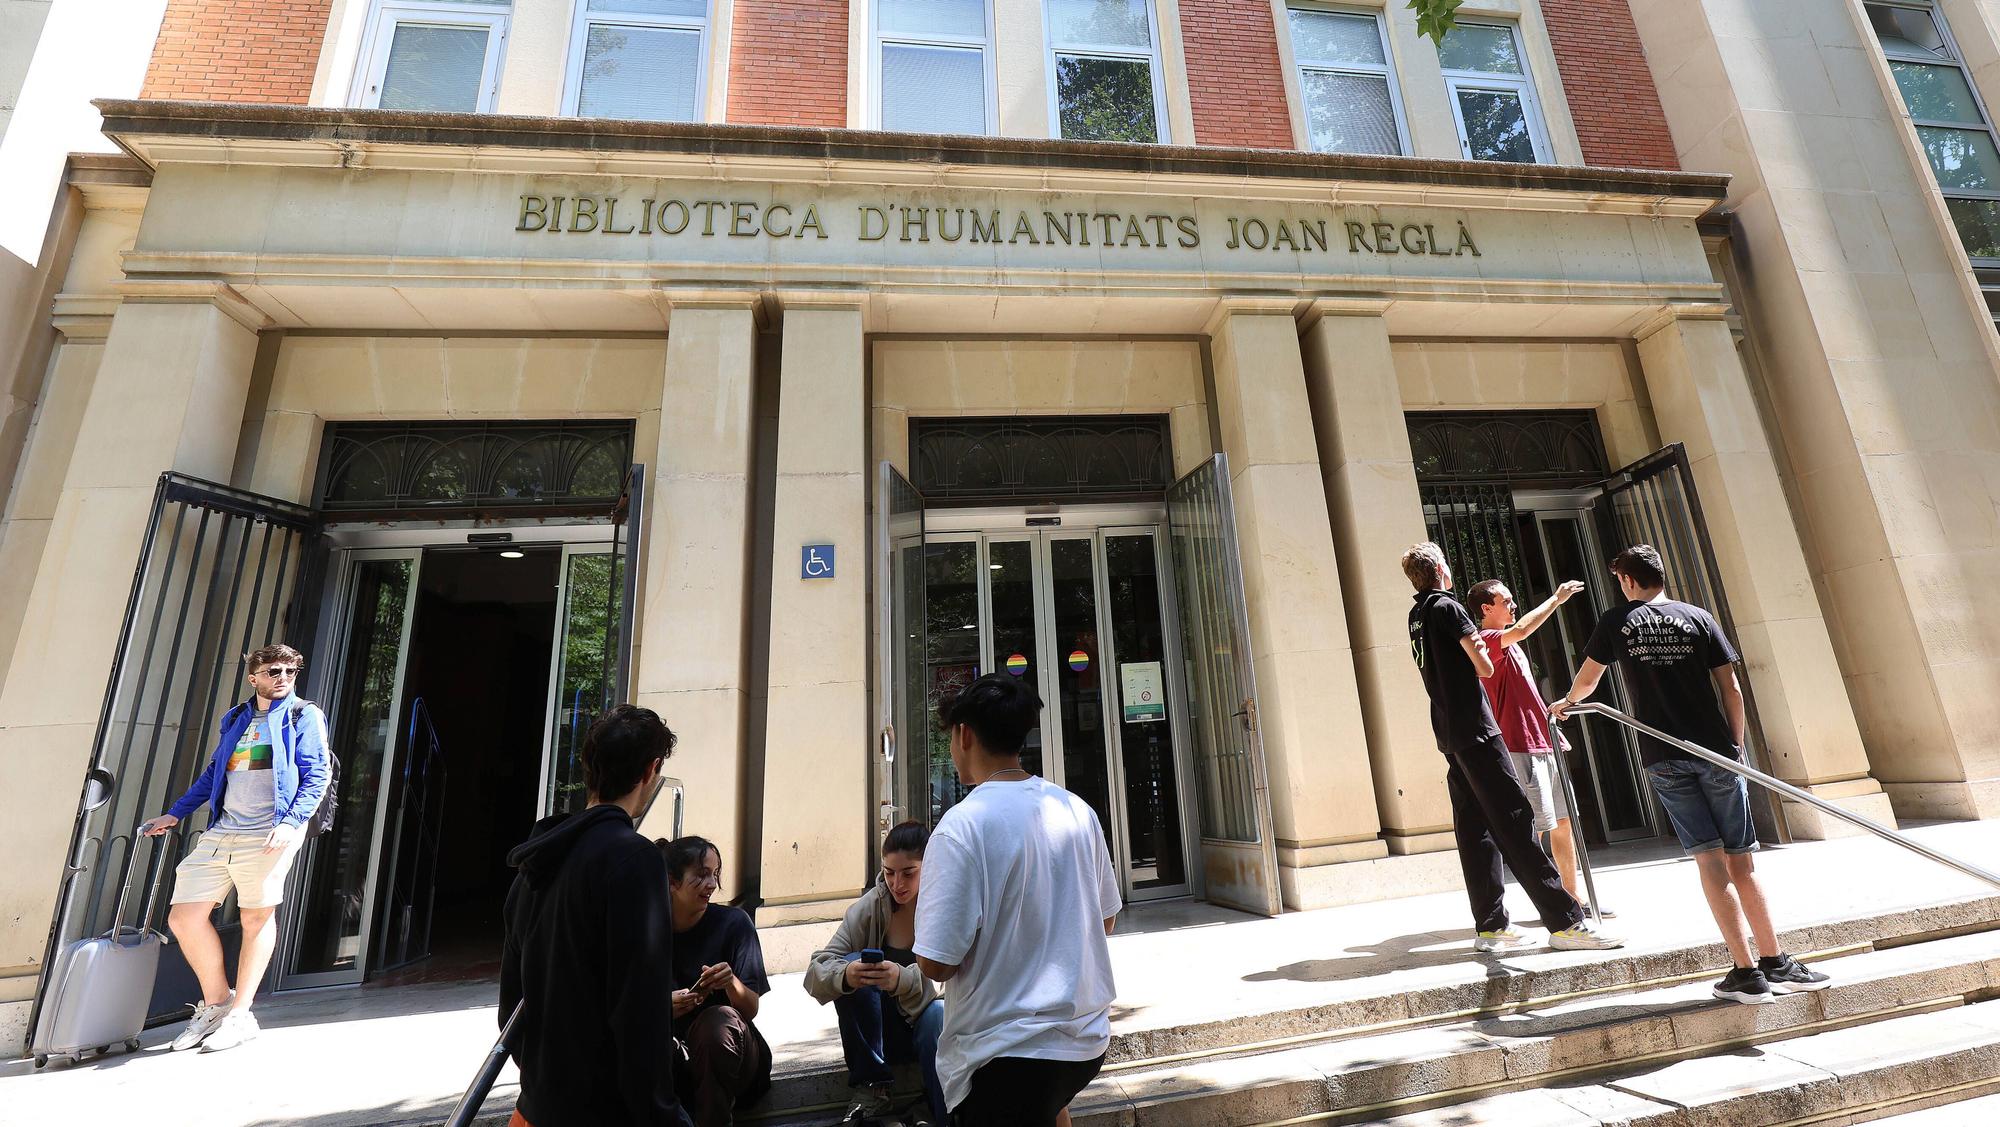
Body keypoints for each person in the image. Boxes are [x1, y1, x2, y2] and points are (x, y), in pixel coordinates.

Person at [1551, 545, 1830, 1004]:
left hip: (1662, 754)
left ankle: (1746, 972)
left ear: (1626, 581)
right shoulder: (1699, 617)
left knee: (1709, 859)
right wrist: (1736, 747)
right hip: (1715, 751)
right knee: (1741, 860)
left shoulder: (1616, 622)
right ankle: (1774, 961)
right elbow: (1731, 688)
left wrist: (1566, 703)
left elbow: (1587, 682)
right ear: (1661, 576)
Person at [913, 673, 1121, 1127]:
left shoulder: (961, 826)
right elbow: (1106, 921)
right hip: (1085, 1042)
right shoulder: (1075, 808)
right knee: (1048, 1109)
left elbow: (936, 964)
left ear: (963, 734)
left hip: (1002, 1056)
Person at [1400, 543, 1621, 955]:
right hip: (1479, 731)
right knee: (1517, 821)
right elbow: (1482, 666)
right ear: (1441, 569)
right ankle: (1566, 922)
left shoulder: (1417, 614)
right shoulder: (1448, 607)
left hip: (1450, 733)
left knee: (1475, 830)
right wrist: (1480, 655)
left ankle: (1492, 925)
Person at [499, 704, 690, 1127]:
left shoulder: (536, 862)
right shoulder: (634, 859)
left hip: (537, 1106)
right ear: (651, 771)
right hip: (605, 1109)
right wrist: (661, 1113)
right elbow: (639, 1007)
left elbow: (511, 1006)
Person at [138, 644, 329, 1053]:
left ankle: (242, 1014)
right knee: (185, 917)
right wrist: (176, 813)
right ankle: (217, 1003)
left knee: (255, 918)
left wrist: (290, 823)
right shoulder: (237, 718)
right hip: (224, 829)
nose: (282, 678)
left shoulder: (303, 715)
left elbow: (317, 773)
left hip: (270, 831)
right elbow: (214, 773)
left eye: (290, 671)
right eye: (274, 671)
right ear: (253, 677)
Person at [1465, 577, 1608, 915]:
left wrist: (1550, 728)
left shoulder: (1510, 645)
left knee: (1563, 822)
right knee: (1531, 830)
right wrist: (1556, 600)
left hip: (1544, 743)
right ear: (1487, 609)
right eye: (1506, 600)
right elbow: (1523, 630)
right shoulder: (1487, 640)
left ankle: (1573, 898)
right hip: (1518, 747)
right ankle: (1548, 904)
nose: (1513, 605)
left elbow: (1525, 696)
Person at [805, 821, 946, 1126]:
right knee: (852, 964)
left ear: (930, 865)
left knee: (938, 1012)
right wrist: (848, 975)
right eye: (888, 872)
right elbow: (817, 969)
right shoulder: (871, 906)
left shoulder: (945, 905)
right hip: (882, 1034)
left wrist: (900, 979)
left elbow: (953, 979)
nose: (897, 883)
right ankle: (872, 1088)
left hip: (934, 1030)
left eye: (909, 873)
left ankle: (943, 1113)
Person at [664, 835, 773, 1126]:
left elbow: (749, 1009)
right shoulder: (648, 931)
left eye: (715, 874)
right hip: (675, 1063)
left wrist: (731, 983)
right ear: (672, 881)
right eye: (701, 875)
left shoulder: (734, 924)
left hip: (735, 1059)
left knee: (718, 1020)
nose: (712, 884)